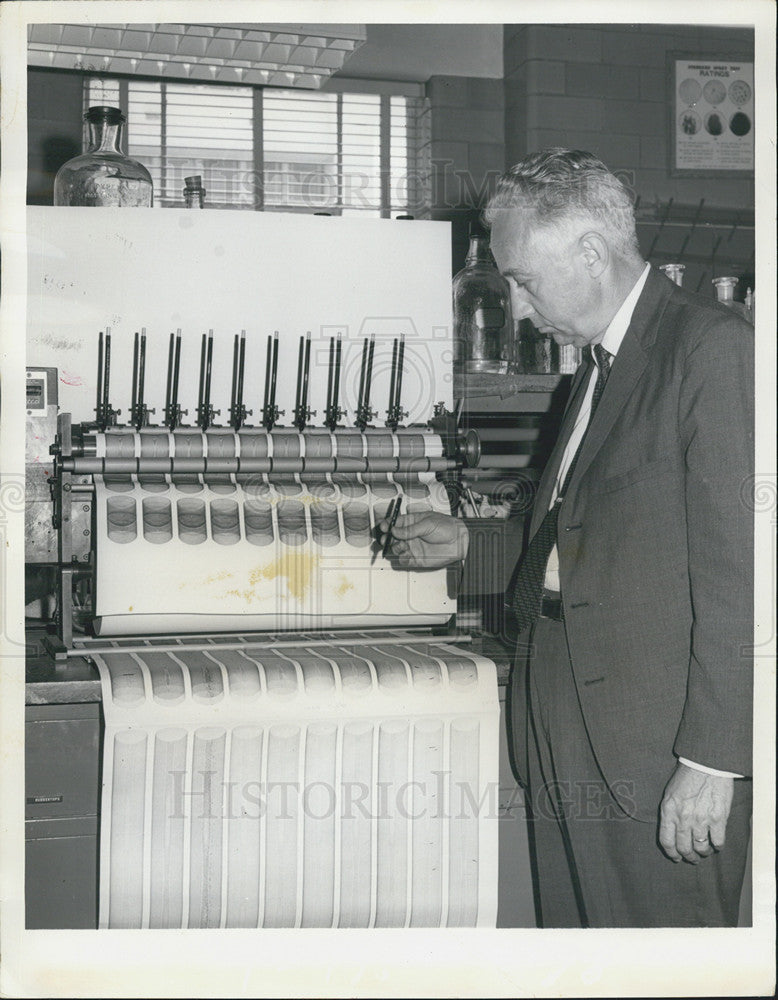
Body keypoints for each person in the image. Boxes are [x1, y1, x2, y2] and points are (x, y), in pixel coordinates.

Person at [379, 148, 753, 928]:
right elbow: (586, 537)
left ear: (590, 251)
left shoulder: (710, 349)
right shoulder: (596, 367)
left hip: (654, 743)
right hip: (563, 713)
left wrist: (713, 759)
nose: (514, 308)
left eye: (522, 280)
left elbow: (745, 572)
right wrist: (469, 544)